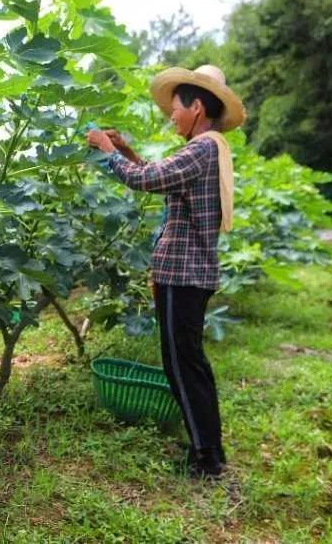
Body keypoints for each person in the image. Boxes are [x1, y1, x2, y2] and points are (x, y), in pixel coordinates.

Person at [87, 65, 246, 479]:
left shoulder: (203, 149)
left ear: (196, 107)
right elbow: (160, 176)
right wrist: (125, 152)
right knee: (188, 362)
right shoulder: (204, 149)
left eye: (175, 108)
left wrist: (105, 151)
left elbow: (145, 181)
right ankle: (208, 446)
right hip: (186, 274)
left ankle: (206, 458)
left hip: (184, 274)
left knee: (182, 365)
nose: (171, 115)